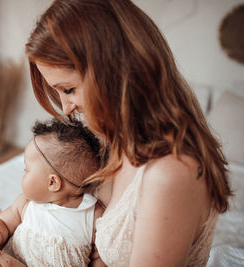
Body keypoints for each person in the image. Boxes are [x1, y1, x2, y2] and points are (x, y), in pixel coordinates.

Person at [25, 0, 232, 266]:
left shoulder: (170, 174)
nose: (66, 109)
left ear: (113, 74)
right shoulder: (109, 140)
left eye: (68, 89)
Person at [0, 119, 105, 267]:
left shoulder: (92, 217)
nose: (23, 174)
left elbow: (100, 258)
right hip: (4, 262)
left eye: (26, 170)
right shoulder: (26, 204)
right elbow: (2, 224)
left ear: (52, 182)